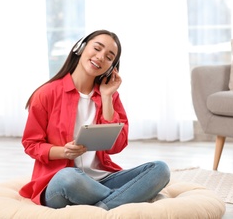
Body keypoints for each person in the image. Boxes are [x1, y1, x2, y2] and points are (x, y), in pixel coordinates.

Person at [19, 29, 170, 210]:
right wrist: (63, 152)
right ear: (81, 48)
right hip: (61, 182)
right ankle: (125, 200)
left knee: (160, 170)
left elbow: (117, 145)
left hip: (101, 180)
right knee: (68, 176)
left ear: (112, 66)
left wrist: (107, 97)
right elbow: (31, 144)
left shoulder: (110, 97)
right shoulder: (46, 94)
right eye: (97, 48)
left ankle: (102, 208)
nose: (100, 57)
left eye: (109, 57)